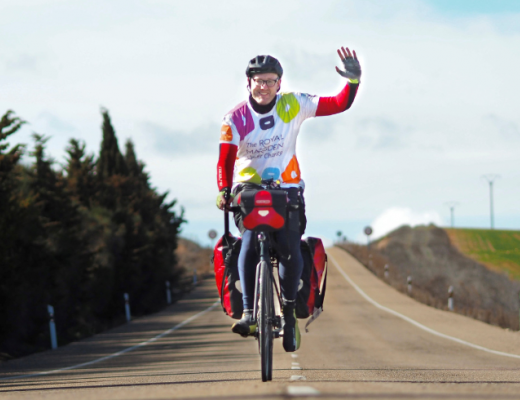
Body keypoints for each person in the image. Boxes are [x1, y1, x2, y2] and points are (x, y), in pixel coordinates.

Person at [216, 47, 361, 352]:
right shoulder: (234, 118)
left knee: (289, 247)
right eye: (258, 80)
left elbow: (337, 105)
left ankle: (289, 310)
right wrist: (223, 190)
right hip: (248, 190)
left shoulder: (293, 105)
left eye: (270, 81)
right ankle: (249, 313)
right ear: (248, 82)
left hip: (288, 189)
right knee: (252, 239)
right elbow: (225, 161)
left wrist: (352, 83)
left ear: (279, 83)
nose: (264, 86)